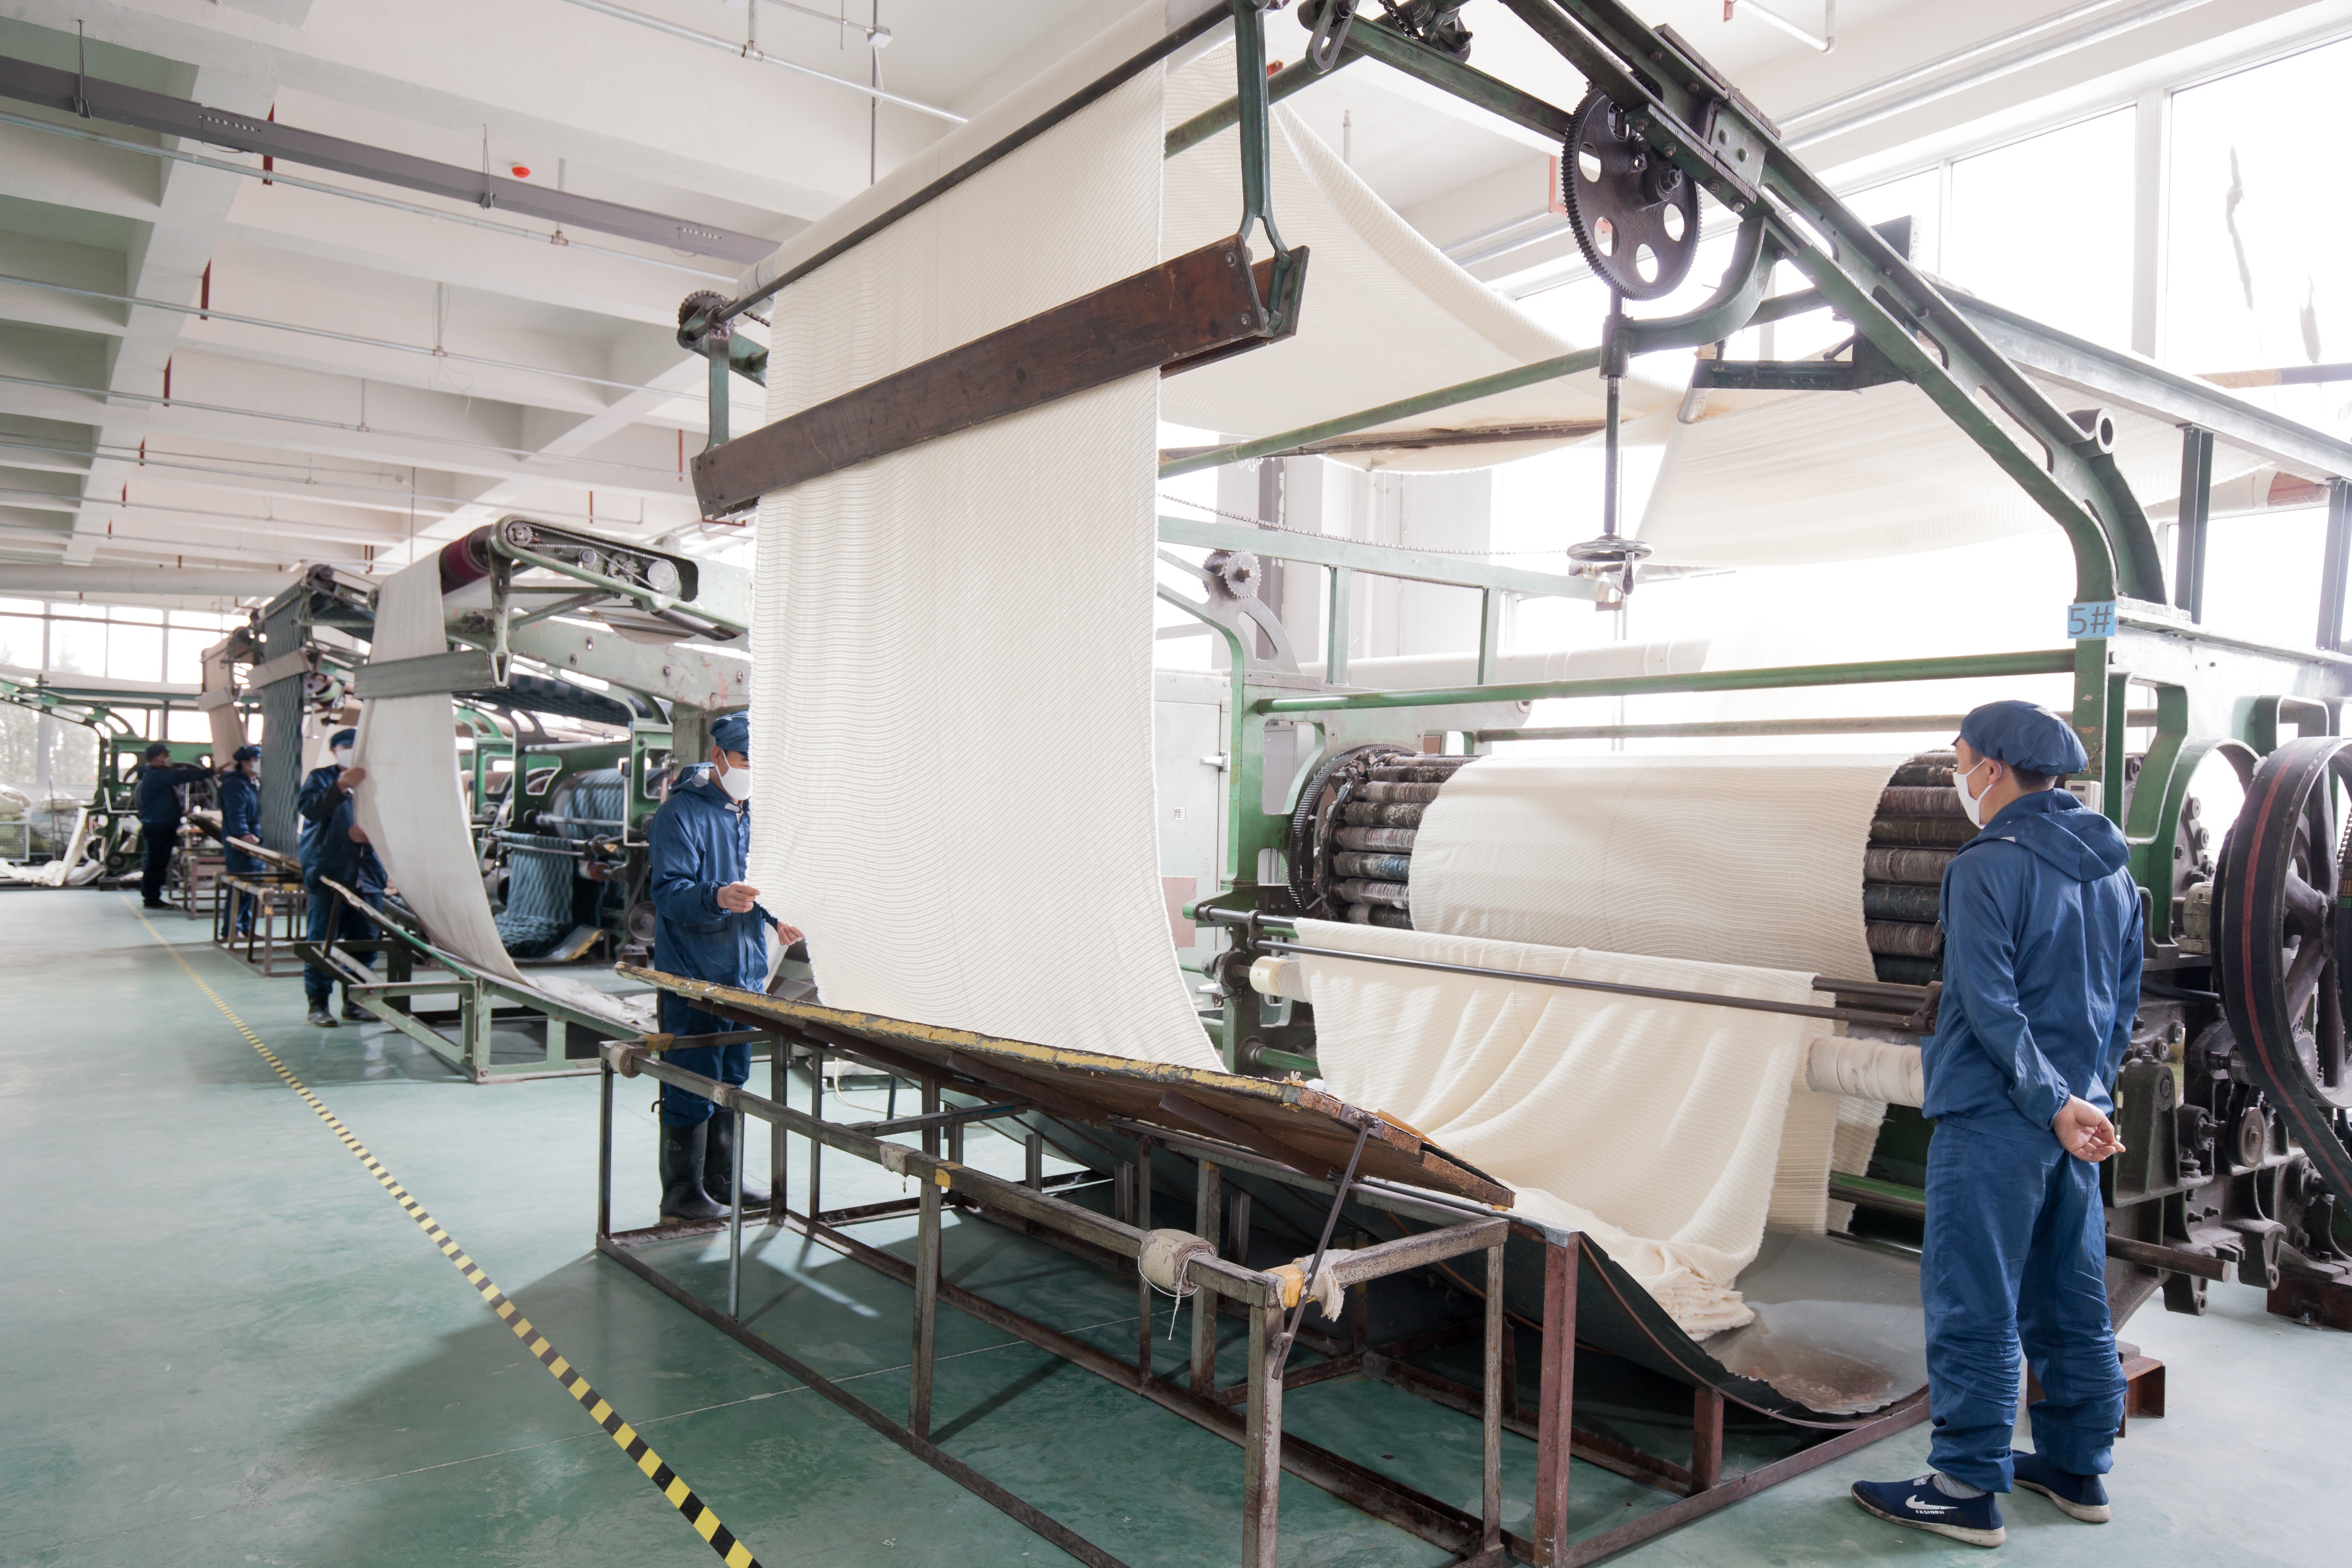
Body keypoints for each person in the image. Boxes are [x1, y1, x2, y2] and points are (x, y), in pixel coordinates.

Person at [1852, 700, 2140, 1548]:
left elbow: (1988, 1003)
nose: (1957, 775)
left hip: (1997, 1116)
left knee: (1973, 1297)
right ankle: (2078, 1469)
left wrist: (2045, 1100)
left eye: (1959, 759)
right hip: (2075, 1119)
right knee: (2069, 1296)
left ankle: (1964, 1487)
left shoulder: (1987, 865)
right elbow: (2122, 1002)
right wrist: (2084, 1100)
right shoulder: (2113, 871)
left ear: (1995, 769)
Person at [644, 712, 801, 1222]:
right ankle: (682, 1193)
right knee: (691, 1078)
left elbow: (764, 880)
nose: (752, 773)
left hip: (744, 976)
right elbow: (669, 893)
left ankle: (721, 1180)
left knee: (732, 1077)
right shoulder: (680, 815)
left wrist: (777, 916)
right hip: (693, 976)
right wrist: (716, 897)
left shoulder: (753, 815)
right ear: (718, 757)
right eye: (745, 761)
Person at [296, 728, 387, 1030]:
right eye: (345, 746)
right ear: (334, 751)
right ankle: (318, 1004)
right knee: (323, 941)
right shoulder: (321, 778)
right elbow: (311, 809)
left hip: (368, 876)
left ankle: (355, 1002)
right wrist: (341, 786)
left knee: (364, 944)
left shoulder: (377, 782)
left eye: (355, 746)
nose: (350, 751)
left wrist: (372, 836)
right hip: (330, 874)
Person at [132, 741, 214, 909]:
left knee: (156, 863)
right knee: (156, 864)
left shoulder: (151, 776)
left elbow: (161, 804)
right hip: (159, 828)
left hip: (159, 826)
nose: (168, 758)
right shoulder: (157, 776)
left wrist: (178, 813)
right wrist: (211, 772)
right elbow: (182, 776)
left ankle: (151, 897)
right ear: (156, 759)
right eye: (165, 756)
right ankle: (152, 899)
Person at [217, 744, 263, 940]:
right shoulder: (235, 785)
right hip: (241, 844)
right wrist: (243, 834)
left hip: (255, 841)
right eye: (258, 760)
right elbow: (236, 813)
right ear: (245, 763)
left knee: (252, 887)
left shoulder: (253, 783)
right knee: (241, 886)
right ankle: (231, 929)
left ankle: (246, 927)